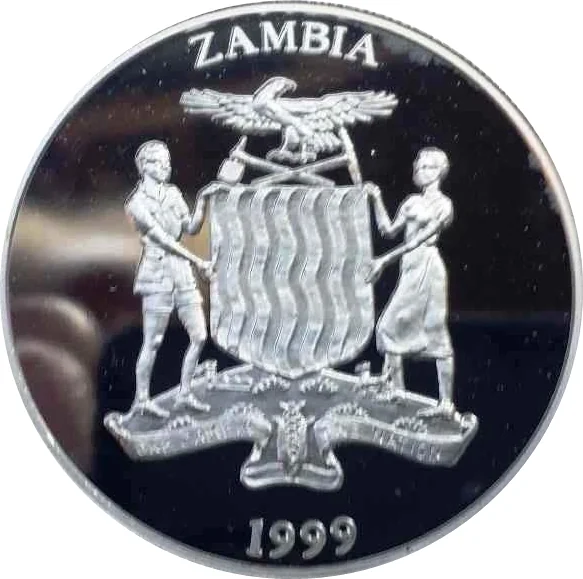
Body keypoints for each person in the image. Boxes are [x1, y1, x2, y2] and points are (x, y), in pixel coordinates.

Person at [125, 140, 213, 418]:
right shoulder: (136, 204)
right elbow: (162, 240)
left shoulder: (174, 193)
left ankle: (184, 394)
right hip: (157, 274)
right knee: (153, 341)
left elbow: (191, 228)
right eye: (160, 162)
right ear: (144, 166)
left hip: (181, 273)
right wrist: (198, 261)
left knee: (199, 336)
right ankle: (142, 400)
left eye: (168, 162)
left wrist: (204, 199)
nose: (166, 166)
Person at [367, 147, 455, 418]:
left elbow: (419, 239)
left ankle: (446, 404)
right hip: (410, 268)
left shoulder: (444, 206)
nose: (419, 170)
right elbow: (388, 230)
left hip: (428, 268)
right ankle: (397, 389)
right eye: (418, 166)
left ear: (439, 171)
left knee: (435, 331)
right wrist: (376, 198)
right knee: (389, 327)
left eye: (427, 166)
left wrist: (384, 261)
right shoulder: (411, 202)